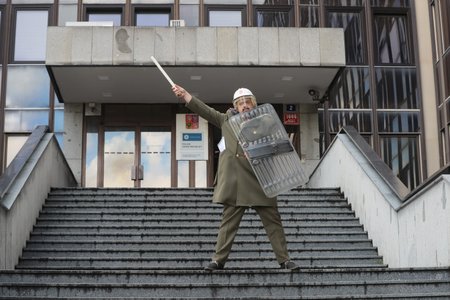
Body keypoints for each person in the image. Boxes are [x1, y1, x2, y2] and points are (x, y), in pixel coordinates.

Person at [172, 84, 299, 271]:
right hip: (235, 180)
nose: (245, 105)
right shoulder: (225, 120)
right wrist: (185, 95)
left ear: (254, 105)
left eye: (248, 102)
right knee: (228, 223)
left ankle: (285, 260)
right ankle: (218, 260)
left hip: (261, 178)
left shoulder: (266, 121)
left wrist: (259, 151)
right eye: (241, 103)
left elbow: (279, 144)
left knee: (273, 222)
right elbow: (204, 110)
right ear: (235, 106)